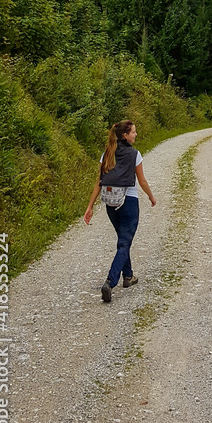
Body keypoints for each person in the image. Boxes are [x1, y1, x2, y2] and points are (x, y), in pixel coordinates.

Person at [84, 119, 157, 302]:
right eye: (133, 132)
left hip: (111, 204)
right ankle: (110, 282)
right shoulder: (135, 154)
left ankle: (128, 276)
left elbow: (99, 183)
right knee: (124, 243)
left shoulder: (107, 153)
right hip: (129, 203)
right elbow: (142, 181)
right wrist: (151, 196)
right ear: (125, 135)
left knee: (123, 241)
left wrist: (90, 206)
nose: (136, 134)